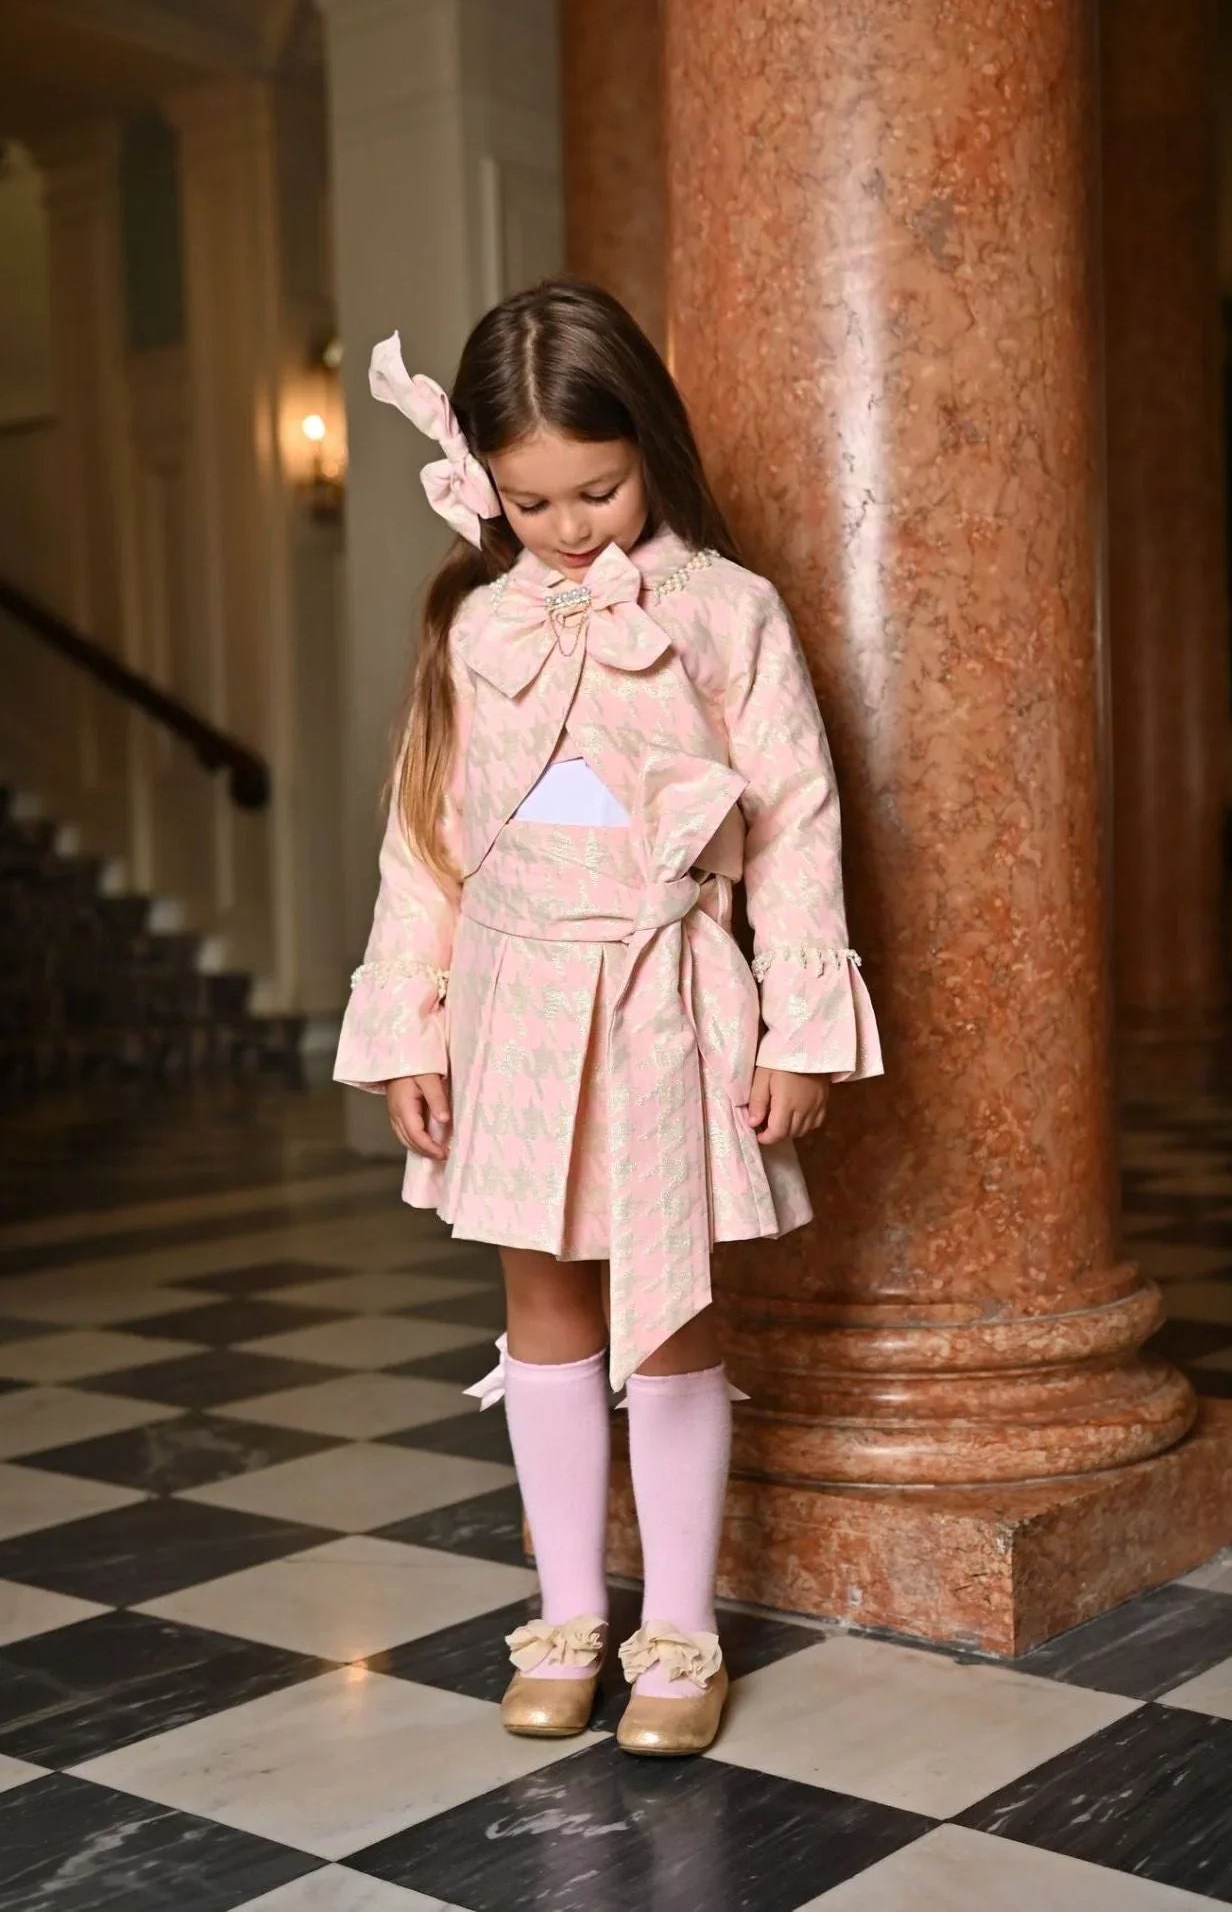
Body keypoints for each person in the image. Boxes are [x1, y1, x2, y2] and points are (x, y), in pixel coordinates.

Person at [334, 279, 883, 1757]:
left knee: (677, 1315)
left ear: (650, 444)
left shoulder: (726, 611)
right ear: (483, 485)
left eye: (598, 487)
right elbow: (425, 841)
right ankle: (567, 1608)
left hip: (668, 996)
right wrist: (407, 1027)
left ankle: (681, 1629)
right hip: (514, 1001)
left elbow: (798, 819)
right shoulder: (473, 625)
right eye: (528, 501)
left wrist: (794, 1027)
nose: (568, 526)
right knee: (544, 1309)